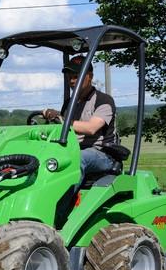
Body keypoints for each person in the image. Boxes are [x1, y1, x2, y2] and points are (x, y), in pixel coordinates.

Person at [43, 55, 117, 184]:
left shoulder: (103, 100)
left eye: (76, 76)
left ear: (90, 77)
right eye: (70, 77)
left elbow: (91, 128)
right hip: (73, 149)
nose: (72, 81)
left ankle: (65, 201)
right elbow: (63, 129)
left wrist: (61, 119)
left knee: (78, 158)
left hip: (101, 154)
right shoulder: (69, 103)